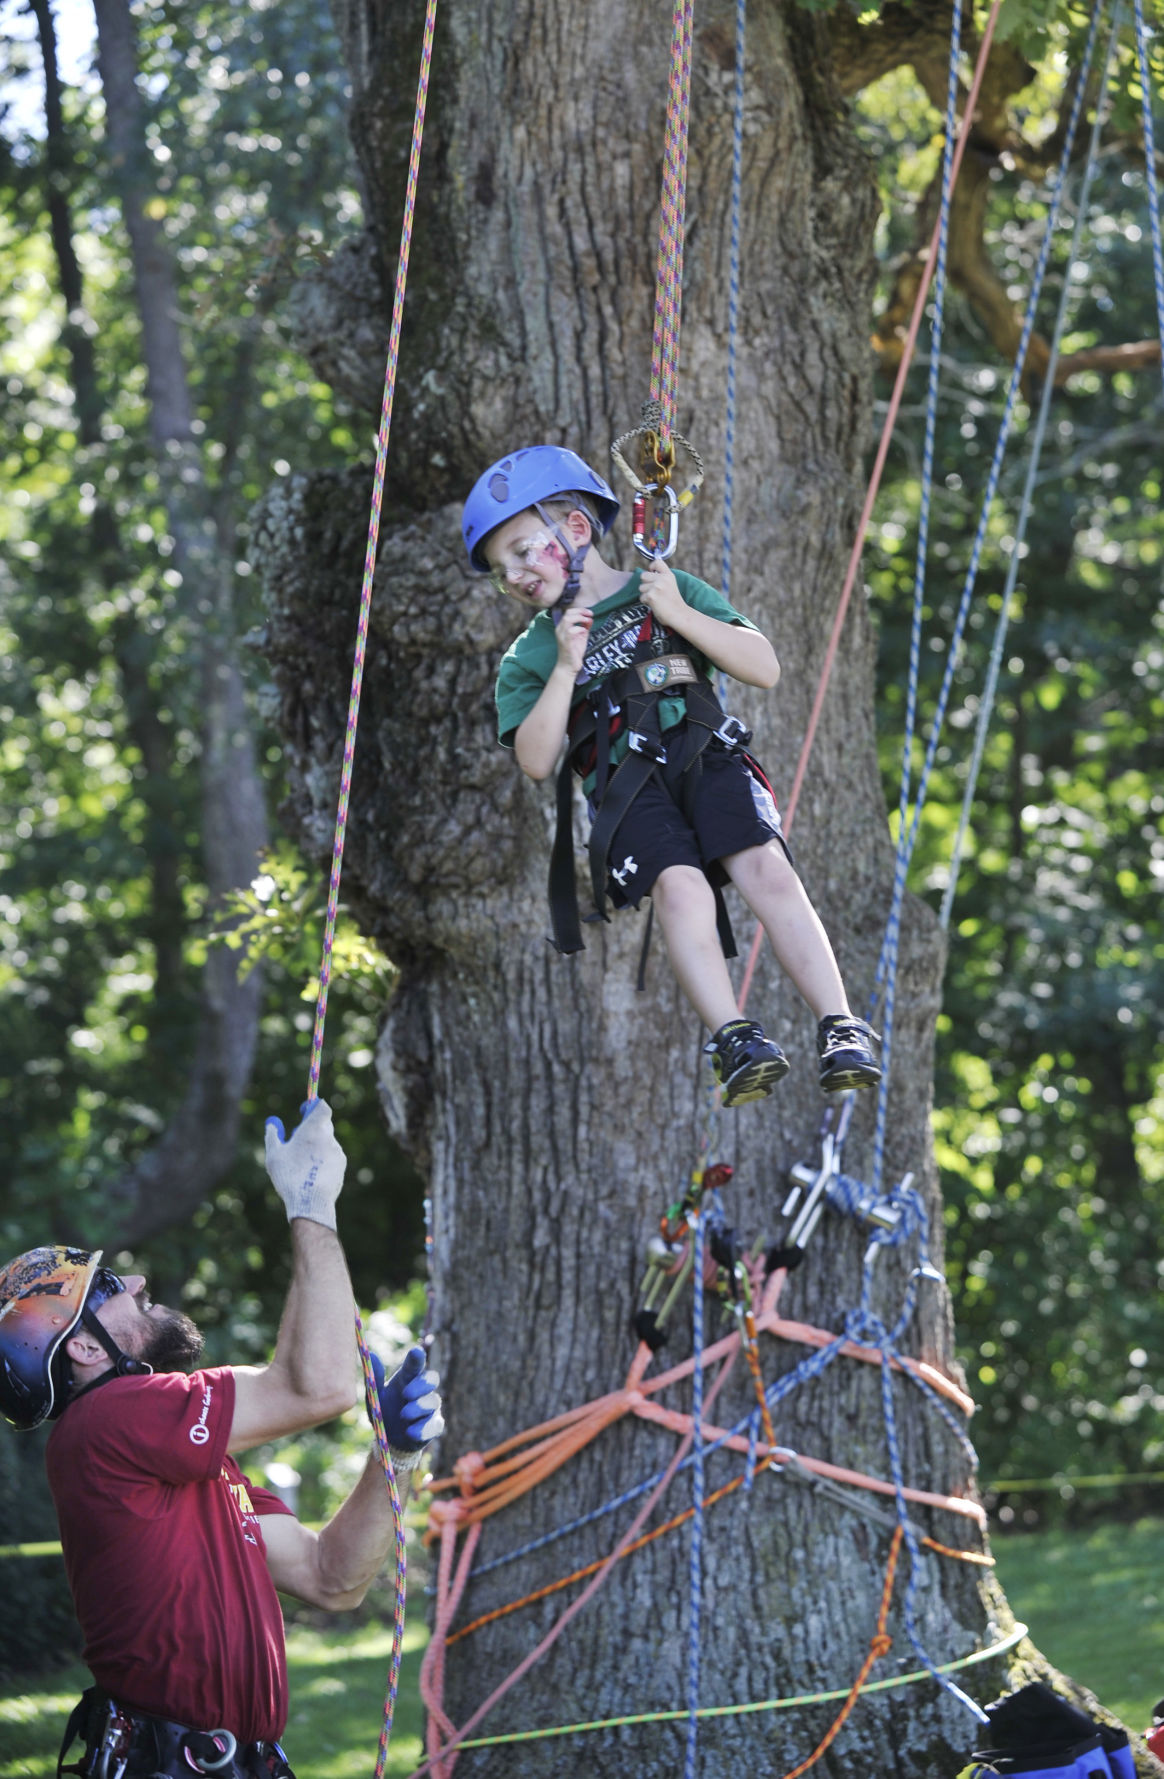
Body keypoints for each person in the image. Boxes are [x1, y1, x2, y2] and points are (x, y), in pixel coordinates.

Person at [0, 1098, 443, 1779]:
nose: (139, 1281)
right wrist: (311, 1206)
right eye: (112, 1286)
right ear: (84, 1347)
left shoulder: (187, 1469)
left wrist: (396, 1458)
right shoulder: (108, 1419)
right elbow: (317, 1386)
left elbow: (333, 1578)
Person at [463, 444, 882, 1107]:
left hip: (704, 755)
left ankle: (841, 1024)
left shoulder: (666, 588)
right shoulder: (531, 657)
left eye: (521, 549)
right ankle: (735, 1038)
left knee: (766, 868)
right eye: (499, 569)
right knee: (682, 890)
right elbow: (536, 758)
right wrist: (567, 666)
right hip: (629, 793)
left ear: (574, 529)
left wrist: (679, 615)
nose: (513, 574)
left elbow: (763, 666)